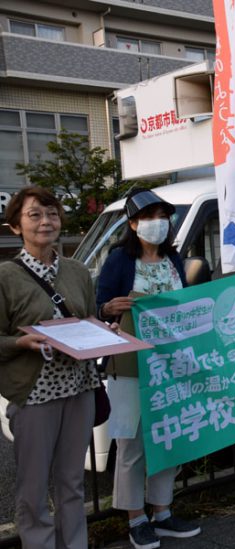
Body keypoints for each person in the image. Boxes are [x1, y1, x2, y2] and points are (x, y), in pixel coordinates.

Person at [97, 188, 201, 549]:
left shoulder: (174, 258)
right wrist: (110, 308)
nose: (158, 223)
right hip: (129, 364)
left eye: (162, 216)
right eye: (149, 217)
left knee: (169, 437)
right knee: (131, 442)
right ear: (133, 224)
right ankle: (134, 517)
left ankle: (162, 511)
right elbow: (100, 306)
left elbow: (184, 304)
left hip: (172, 363)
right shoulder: (118, 260)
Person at [0, 187, 101, 548]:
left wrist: (106, 332)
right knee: (33, 485)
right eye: (35, 215)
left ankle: (74, 543)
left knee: (72, 480)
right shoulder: (5, 276)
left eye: (52, 214)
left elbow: (89, 318)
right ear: (15, 227)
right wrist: (19, 343)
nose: (46, 222)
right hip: (34, 393)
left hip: (78, 387)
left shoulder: (76, 270)